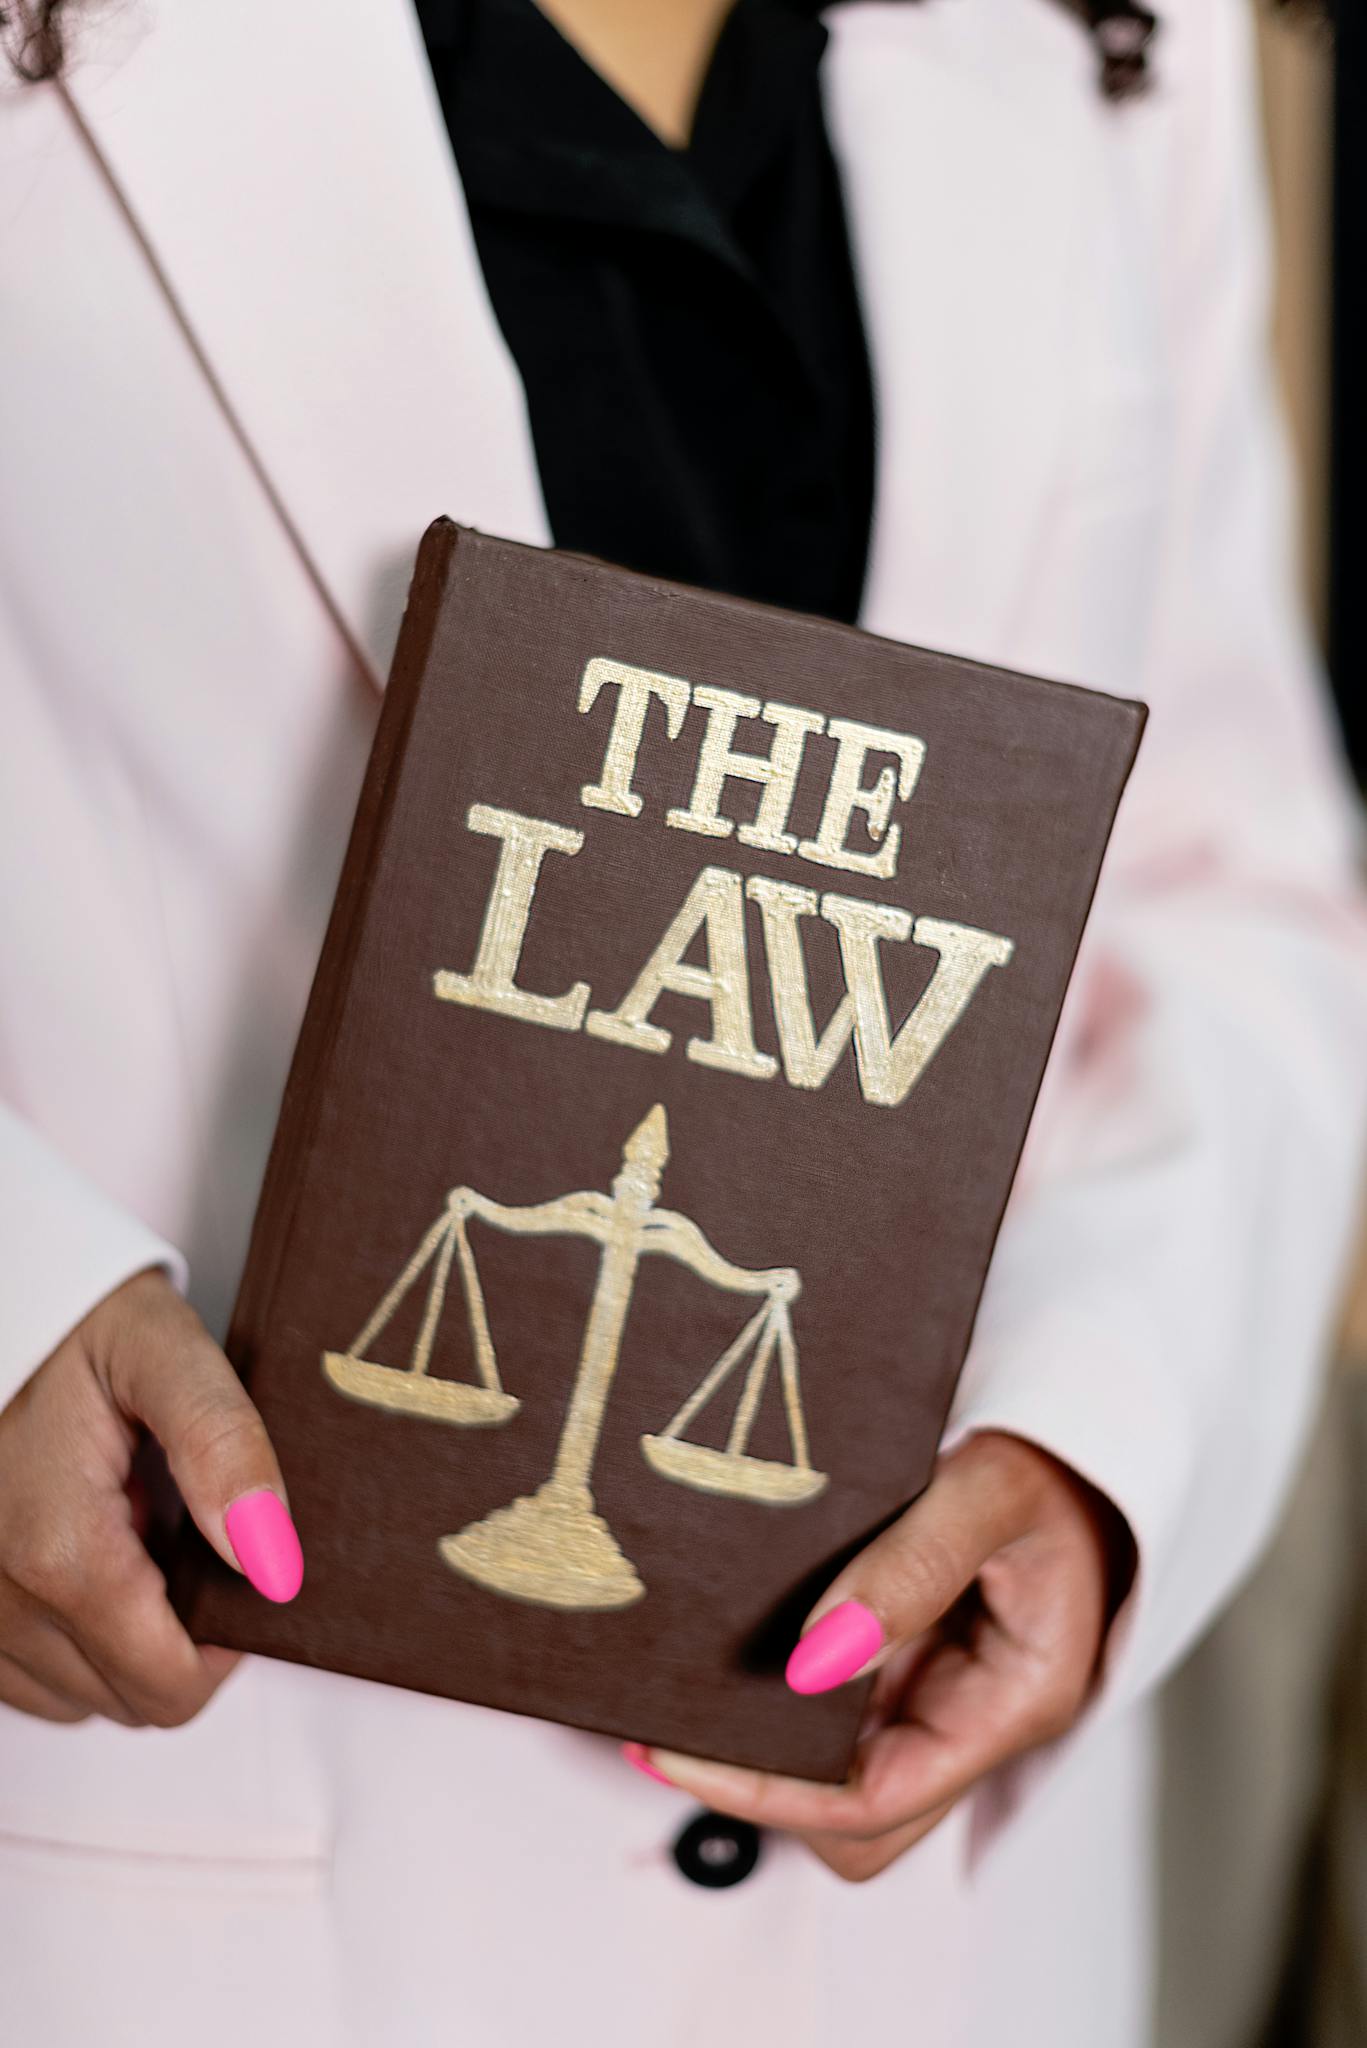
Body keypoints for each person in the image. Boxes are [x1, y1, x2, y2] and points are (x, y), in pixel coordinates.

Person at [1, 1, 1364, 2044]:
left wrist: (1105, 1437)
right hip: (164, 1881)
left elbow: (1227, 883)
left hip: (928, 1951)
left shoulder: (1114, 29)